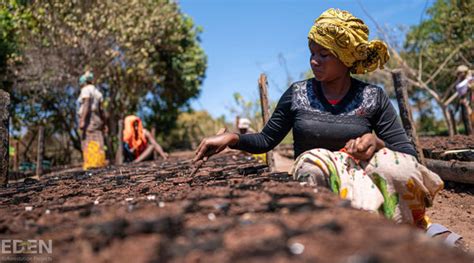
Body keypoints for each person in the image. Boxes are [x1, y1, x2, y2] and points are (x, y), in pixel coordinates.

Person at [194, 9, 464, 248]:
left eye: (324, 54)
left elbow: (407, 154)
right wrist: (232, 138)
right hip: (317, 174)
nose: (314, 61)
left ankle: (400, 230)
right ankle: (325, 239)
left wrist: (376, 143)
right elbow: (266, 139)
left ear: (345, 57)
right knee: (314, 165)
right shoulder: (298, 94)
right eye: (312, 53)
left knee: (397, 167)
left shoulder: (373, 97)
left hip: (364, 173)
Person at [77, 71, 107, 170]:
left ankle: (91, 164)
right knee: (98, 139)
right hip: (97, 119)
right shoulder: (97, 92)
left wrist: (82, 121)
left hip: (89, 119)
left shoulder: (86, 90)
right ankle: (99, 163)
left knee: (88, 140)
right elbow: (101, 109)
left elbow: (87, 104)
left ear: (84, 82)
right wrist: (104, 123)